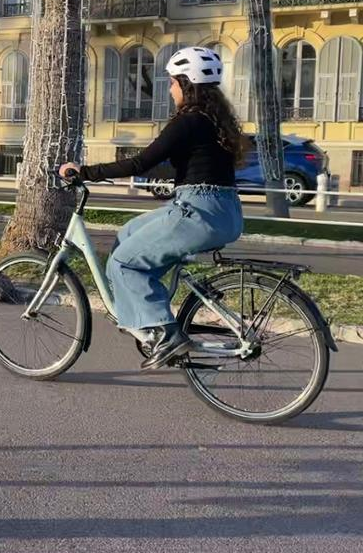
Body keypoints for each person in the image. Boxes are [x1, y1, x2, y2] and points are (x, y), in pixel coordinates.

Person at [58, 46, 244, 371]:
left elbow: (140, 163)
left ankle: (168, 334)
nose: (170, 89)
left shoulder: (187, 122)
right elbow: (167, 165)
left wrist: (84, 172)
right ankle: (145, 315)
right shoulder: (215, 122)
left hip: (197, 213)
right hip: (224, 212)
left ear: (186, 83)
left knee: (123, 263)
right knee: (128, 233)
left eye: (172, 82)